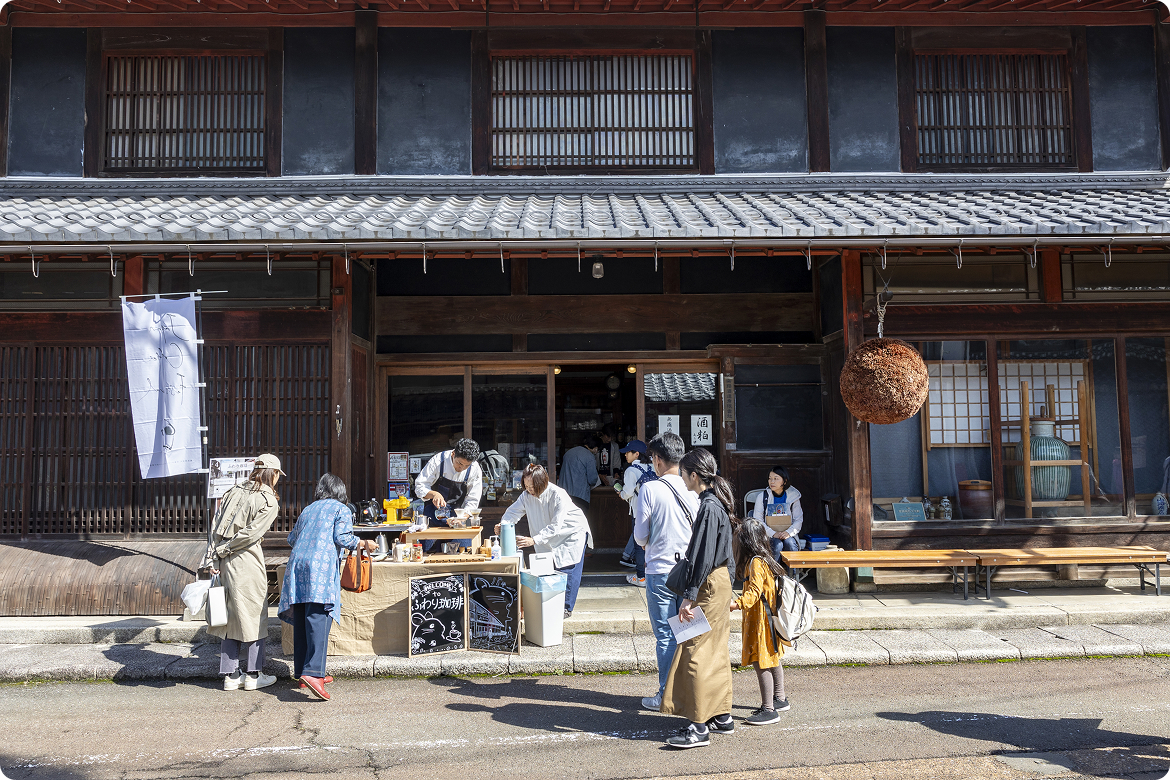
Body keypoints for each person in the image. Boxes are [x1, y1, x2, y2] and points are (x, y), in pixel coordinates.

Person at [660, 446, 736, 749]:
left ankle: (698, 726)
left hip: (706, 584)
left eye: (683, 472)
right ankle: (721, 716)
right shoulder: (717, 503)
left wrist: (689, 597)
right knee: (715, 649)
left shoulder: (708, 506)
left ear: (694, 475)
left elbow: (702, 556)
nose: (681, 476)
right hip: (719, 583)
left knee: (695, 650)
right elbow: (724, 554)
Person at [279, 473, 378, 701]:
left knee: (304, 617)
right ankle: (314, 673)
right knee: (318, 618)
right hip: (320, 567)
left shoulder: (308, 509)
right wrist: (363, 542)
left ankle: (304, 672)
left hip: (298, 565)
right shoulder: (340, 509)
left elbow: (291, 539)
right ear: (340, 492)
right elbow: (342, 538)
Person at [207, 454, 285, 692]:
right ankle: (253, 674)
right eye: (277, 475)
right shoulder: (268, 500)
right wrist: (226, 549)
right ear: (272, 473)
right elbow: (252, 534)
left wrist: (215, 555)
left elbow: (215, 524)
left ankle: (230, 675)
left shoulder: (233, 491)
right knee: (254, 614)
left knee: (230, 615)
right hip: (246, 559)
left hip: (224, 561)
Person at [633, 432, 698, 713]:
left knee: (665, 635)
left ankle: (665, 695)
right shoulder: (695, 489)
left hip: (660, 571)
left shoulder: (649, 489)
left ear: (657, 460)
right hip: (688, 572)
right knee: (687, 633)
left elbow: (640, 536)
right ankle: (691, 694)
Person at [498, 463, 592, 618]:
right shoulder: (526, 496)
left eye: (532, 487)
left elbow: (556, 526)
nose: (530, 490)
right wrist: (503, 526)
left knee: (568, 569)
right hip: (548, 536)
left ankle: (566, 608)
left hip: (571, 533)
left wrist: (533, 540)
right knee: (549, 568)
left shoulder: (557, 494)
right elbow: (512, 513)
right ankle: (552, 604)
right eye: (526, 486)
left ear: (543, 483)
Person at [730, 517, 791, 725]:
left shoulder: (755, 562)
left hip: (761, 622)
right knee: (773, 658)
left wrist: (736, 604)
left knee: (761, 661)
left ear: (746, 541)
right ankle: (780, 698)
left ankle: (769, 710)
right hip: (767, 620)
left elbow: (754, 592)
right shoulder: (764, 559)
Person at [414, 438, 483, 551]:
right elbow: (419, 486)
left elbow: (473, 500)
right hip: (433, 516)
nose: (461, 468)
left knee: (462, 552)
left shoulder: (475, 469)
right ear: (453, 454)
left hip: (459, 518)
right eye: (459, 463)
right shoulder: (438, 461)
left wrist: (462, 518)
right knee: (427, 552)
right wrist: (434, 494)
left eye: (466, 466)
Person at [617, 440, 655, 587]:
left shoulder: (631, 470)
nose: (625, 455)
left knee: (640, 544)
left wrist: (620, 492)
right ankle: (652, 574)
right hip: (656, 511)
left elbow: (626, 493)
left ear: (637, 454)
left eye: (628, 452)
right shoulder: (654, 467)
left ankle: (641, 577)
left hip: (639, 512)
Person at [752, 465, 804, 560]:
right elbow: (757, 520)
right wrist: (773, 533)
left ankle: (793, 574)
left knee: (790, 544)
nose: (772, 482)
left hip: (788, 534)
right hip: (768, 535)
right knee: (777, 544)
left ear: (784, 481)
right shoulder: (762, 497)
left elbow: (798, 520)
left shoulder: (794, 497)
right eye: (770, 478)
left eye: (776, 479)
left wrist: (788, 533)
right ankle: (773, 574)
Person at [559, 434, 604, 516]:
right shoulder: (589, 456)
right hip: (580, 497)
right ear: (595, 448)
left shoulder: (569, 452)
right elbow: (592, 479)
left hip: (564, 495)